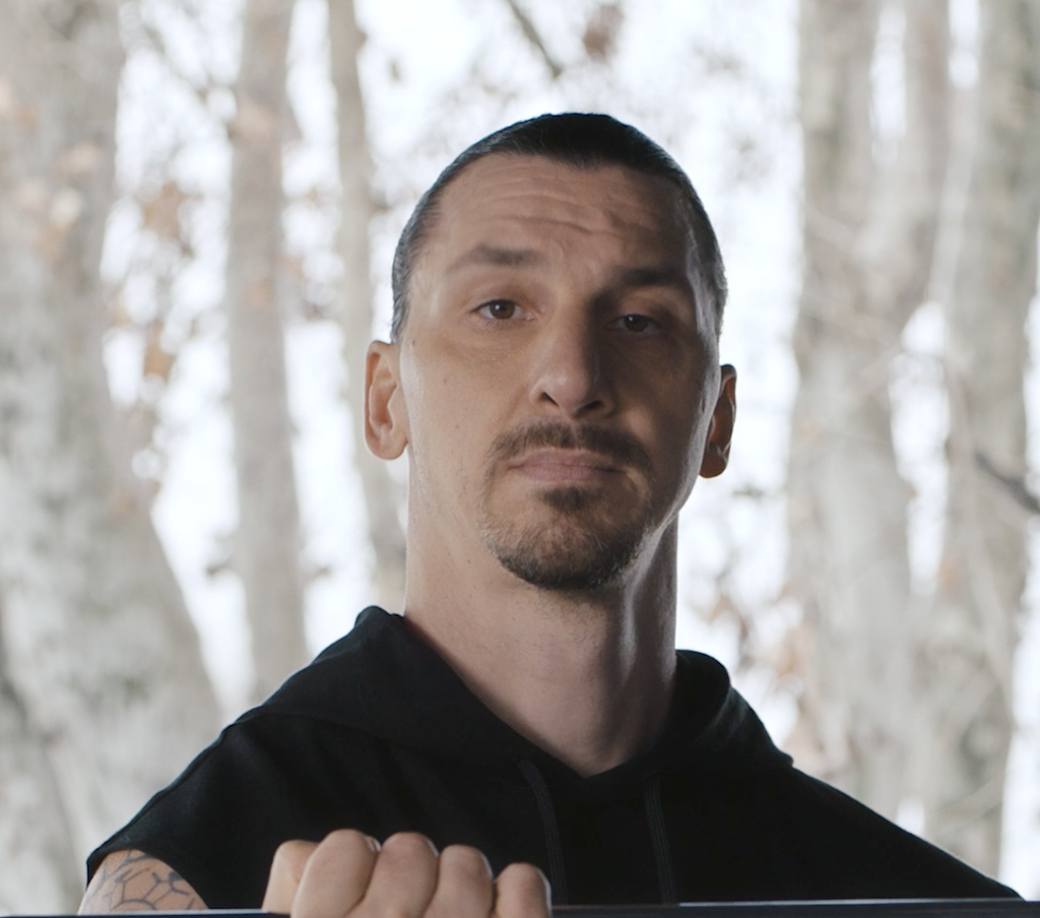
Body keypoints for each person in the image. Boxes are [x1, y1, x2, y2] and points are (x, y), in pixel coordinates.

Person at [80, 113, 1015, 916]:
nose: (571, 376)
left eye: (639, 321)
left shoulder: (908, 898)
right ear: (385, 401)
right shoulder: (194, 873)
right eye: (500, 308)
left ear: (717, 422)